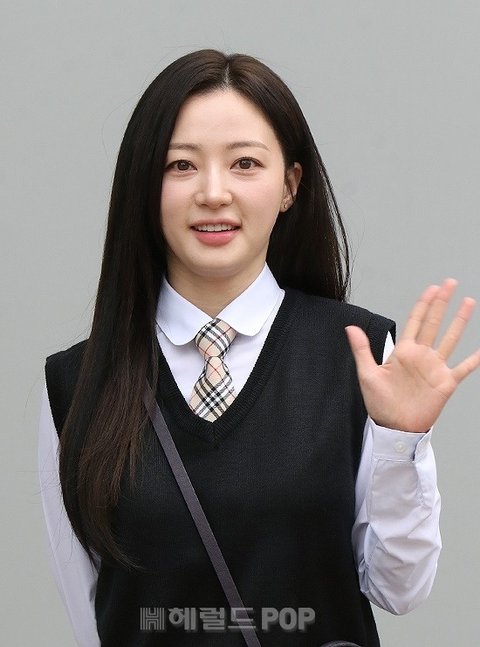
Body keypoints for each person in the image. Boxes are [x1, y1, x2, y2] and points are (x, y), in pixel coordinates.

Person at [38, 49, 480, 647]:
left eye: (244, 163)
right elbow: (90, 614)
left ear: (289, 186)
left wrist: (402, 441)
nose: (213, 192)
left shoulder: (362, 359)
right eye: (180, 165)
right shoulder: (75, 384)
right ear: (145, 186)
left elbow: (399, 589)